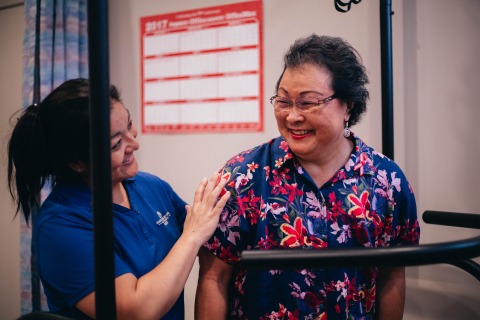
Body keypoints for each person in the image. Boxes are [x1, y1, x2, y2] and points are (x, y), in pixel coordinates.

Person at [195, 34, 420, 319]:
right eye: (284, 101)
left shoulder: (387, 182)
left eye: (307, 103)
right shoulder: (243, 177)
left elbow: (391, 276)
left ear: (347, 105)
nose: (292, 117)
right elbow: (214, 278)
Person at [7, 78, 230, 320]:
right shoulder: (60, 226)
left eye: (130, 125)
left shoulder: (149, 186)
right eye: (116, 144)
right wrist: (192, 235)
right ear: (77, 162)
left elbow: (212, 233)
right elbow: (135, 311)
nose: (135, 143)